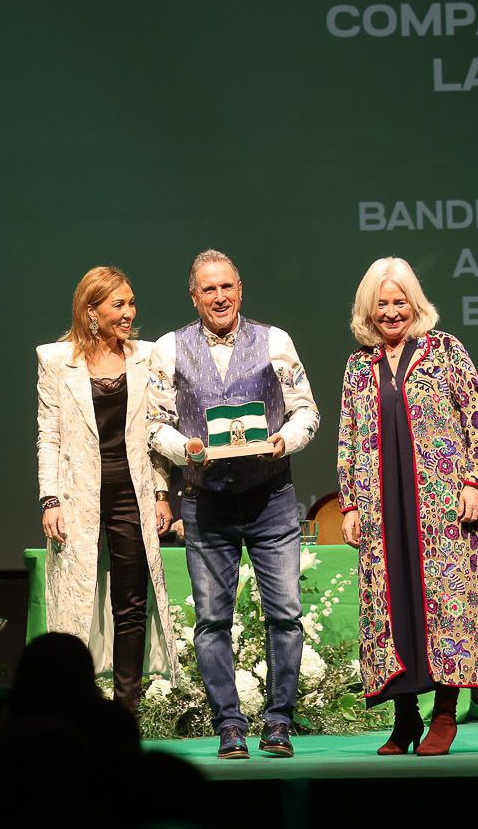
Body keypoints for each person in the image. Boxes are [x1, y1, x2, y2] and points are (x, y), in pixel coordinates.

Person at [336, 257, 478, 757]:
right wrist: (350, 504)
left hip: (441, 507)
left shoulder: (445, 352)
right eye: (382, 304)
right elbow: (349, 437)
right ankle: (404, 718)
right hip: (381, 506)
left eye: (400, 302)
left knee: (445, 605)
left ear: (415, 304)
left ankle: (443, 713)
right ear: (368, 311)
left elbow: (477, 417)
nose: (392, 313)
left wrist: (476, 482)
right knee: (393, 606)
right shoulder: (358, 365)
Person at [148, 249, 320, 760]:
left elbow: (306, 410)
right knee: (211, 621)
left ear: (240, 289)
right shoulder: (168, 349)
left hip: (271, 496)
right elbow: (155, 423)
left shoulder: (275, 340)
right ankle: (229, 726)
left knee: (285, 614)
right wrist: (186, 450)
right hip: (206, 501)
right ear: (194, 296)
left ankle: (279, 723)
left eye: (227, 287)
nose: (219, 297)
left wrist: (283, 441)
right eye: (209, 290)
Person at [36, 266, 177, 711]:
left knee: (131, 602)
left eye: (131, 303)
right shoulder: (57, 361)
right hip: (78, 496)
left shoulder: (147, 356)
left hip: (130, 494)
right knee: (74, 604)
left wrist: (159, 492)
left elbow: (157, 430)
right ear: (90, 310)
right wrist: (50, 498)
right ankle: (70, 703)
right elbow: (49, 435)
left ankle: (125, 707)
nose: (129, 313)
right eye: (119, 304)